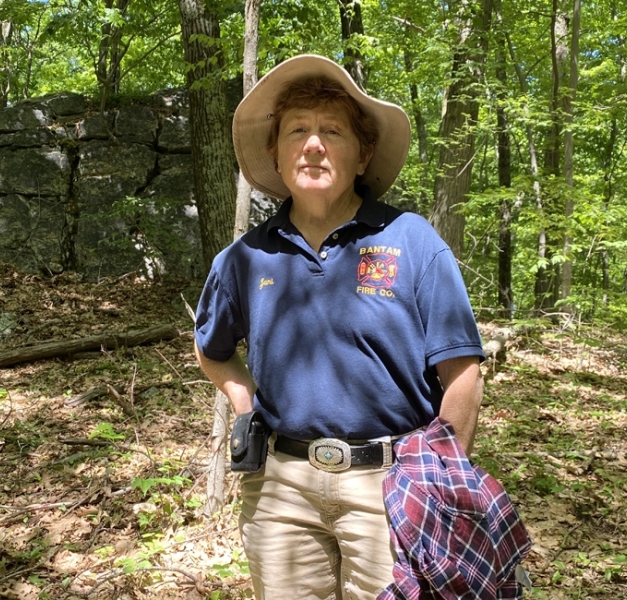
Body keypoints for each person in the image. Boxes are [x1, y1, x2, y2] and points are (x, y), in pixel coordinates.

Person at [193, 54, 486, 600]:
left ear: (363, 153)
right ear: (276, 155)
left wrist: (444, 477)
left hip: (395, 482)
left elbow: (462, 369)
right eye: (297, 131)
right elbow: (212, 349)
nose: (313, 144)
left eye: (332, 131)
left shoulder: (412, 240)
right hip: (281, 490)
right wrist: (244, 403)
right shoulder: (243, 259)